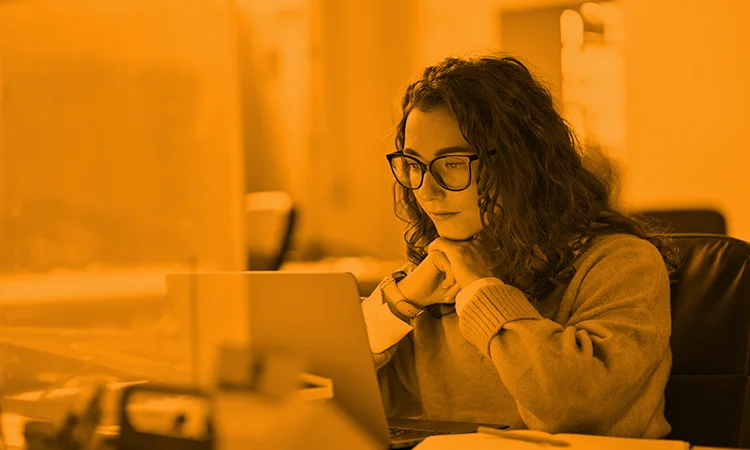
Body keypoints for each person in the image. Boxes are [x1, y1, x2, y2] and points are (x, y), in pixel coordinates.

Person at [360, 54, 682, 438]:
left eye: (452, 163)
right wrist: (400, 301)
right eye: (413, 164)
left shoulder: (623, 264)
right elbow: (326, 396)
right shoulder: (435, 276)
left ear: (520, 162)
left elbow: (573, 409)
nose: (426, 191)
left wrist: (481, 290)